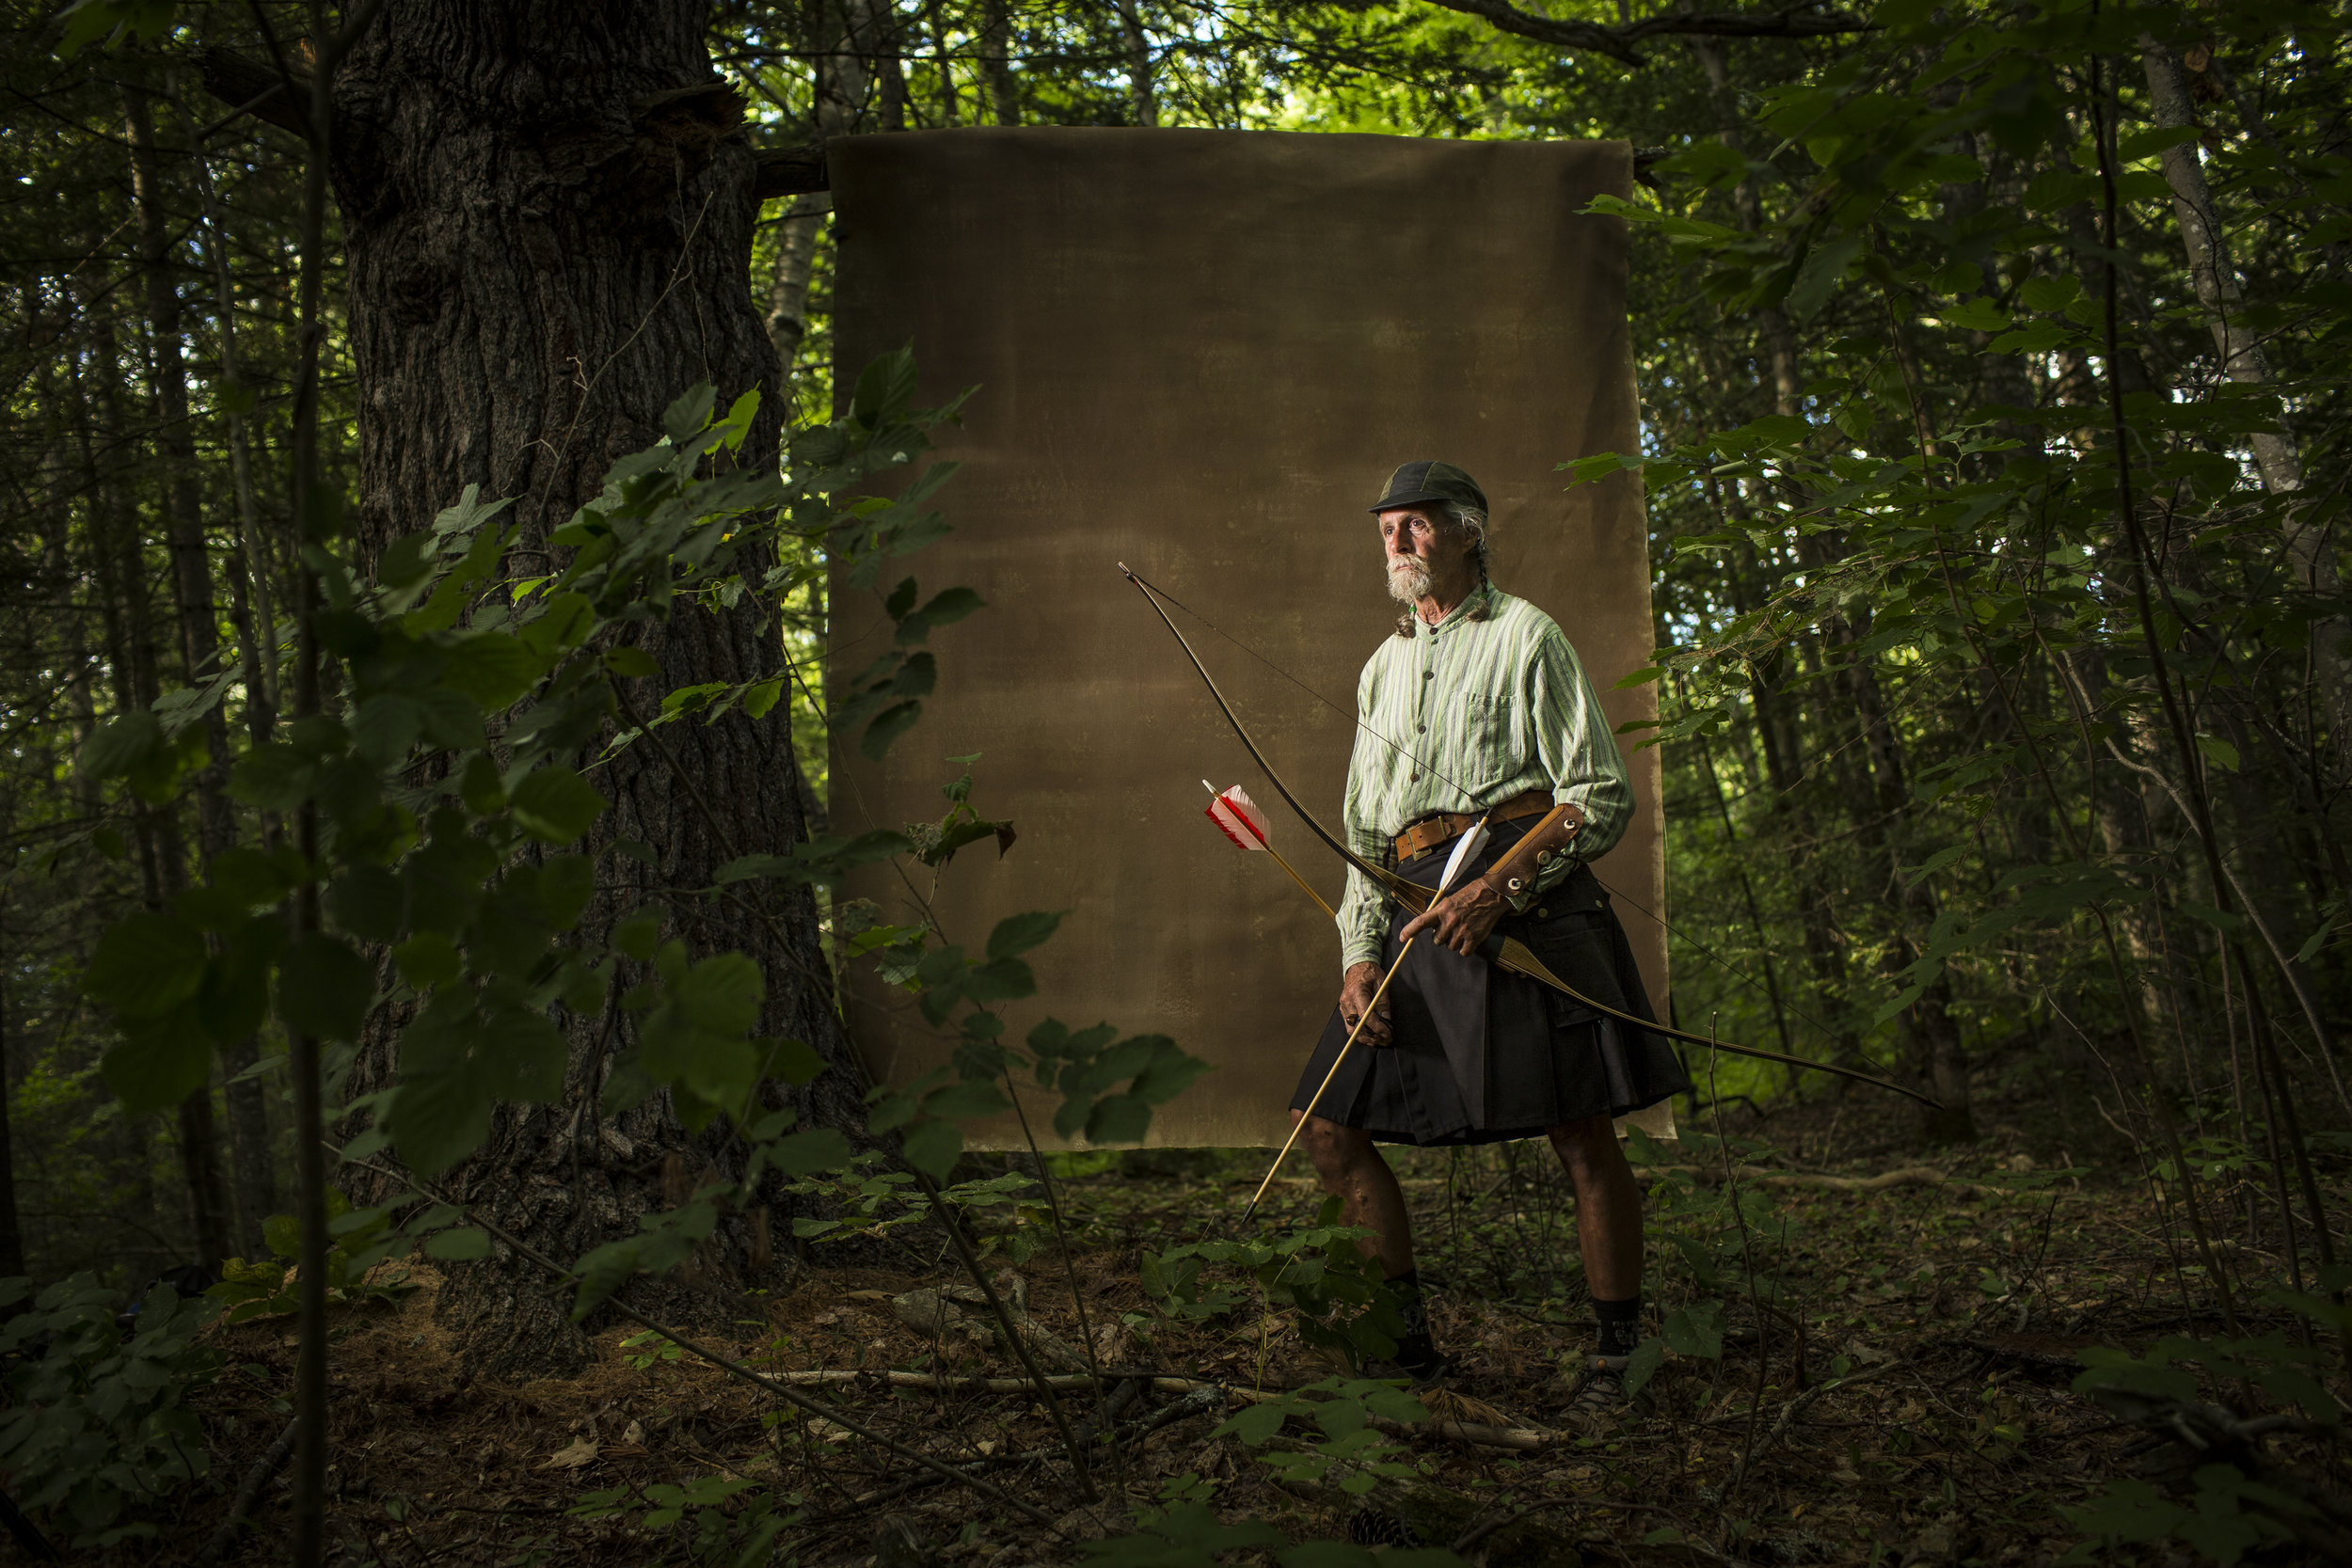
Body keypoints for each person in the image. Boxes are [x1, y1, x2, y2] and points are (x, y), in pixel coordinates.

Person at [1289, 459, 1691, 1414]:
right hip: (1408, 912)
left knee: (1581, 1128)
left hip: (1525, 903)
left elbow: (1595, 792)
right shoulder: (1379, 666)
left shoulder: (1525, 633)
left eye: (1417, 525)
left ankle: (1613, 1356)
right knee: (1331, 1127)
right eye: (1386, 527)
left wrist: (1497, 889)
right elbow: (1358, 835)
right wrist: (1357, 953)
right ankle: (1405, 1357)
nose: (1396, 541)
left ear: (1468, 532)